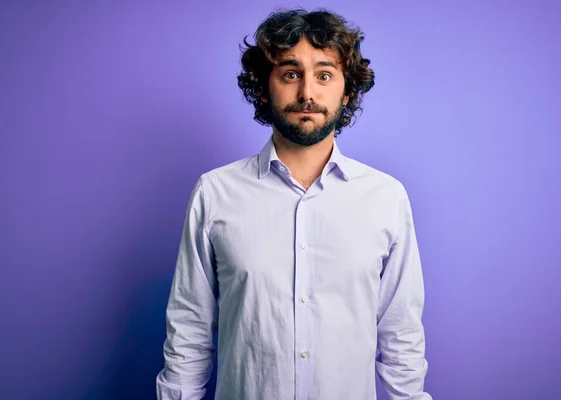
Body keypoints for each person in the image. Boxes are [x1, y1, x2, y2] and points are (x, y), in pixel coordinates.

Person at [156, 8, 432, 400]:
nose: (307, 93)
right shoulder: (215, 194)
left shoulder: (386, 198)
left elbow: (401, 335)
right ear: (265, 88)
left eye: (324, 75)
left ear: (347, 91)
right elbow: (189, 330)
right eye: (290, 74)